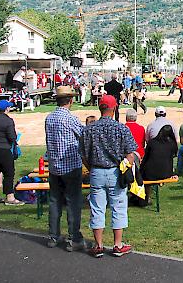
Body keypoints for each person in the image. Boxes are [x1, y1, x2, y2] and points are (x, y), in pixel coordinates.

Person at [80, 95, 137, 258]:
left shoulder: (89, 129)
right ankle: (117, 245)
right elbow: (131, 153)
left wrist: (91, 168)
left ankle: (98, 245)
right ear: (115, 108)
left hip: (97, 171)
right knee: (118, 206)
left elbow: (83, 154)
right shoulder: (121, 128)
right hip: (115, 171)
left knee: (97, 208)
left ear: (100, 108)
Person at [44, 86, 86, 251]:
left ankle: (53, 236)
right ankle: (74, 237)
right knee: (73, 202)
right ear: (70, 100)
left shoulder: (49, 118)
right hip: (70, 166)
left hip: (54, 166)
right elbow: (84, 135)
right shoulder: (70, 119)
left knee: (54, 201)